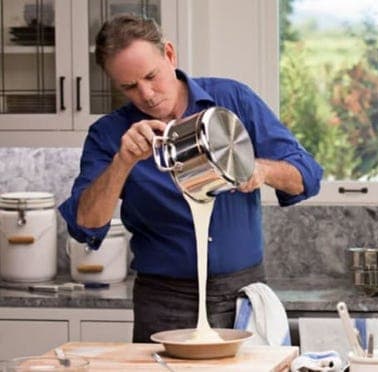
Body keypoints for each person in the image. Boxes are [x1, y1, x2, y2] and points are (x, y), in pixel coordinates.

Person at [58, 14, 323, 343]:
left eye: (151, 76)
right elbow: (85, 224)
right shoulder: (110, 135)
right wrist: (122, 162)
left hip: (244, 296)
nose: (147, 94)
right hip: (164, 301)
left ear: (169, 54)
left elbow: (307, 176)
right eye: (129, 87)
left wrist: (261, 169)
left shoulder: (233, 100)